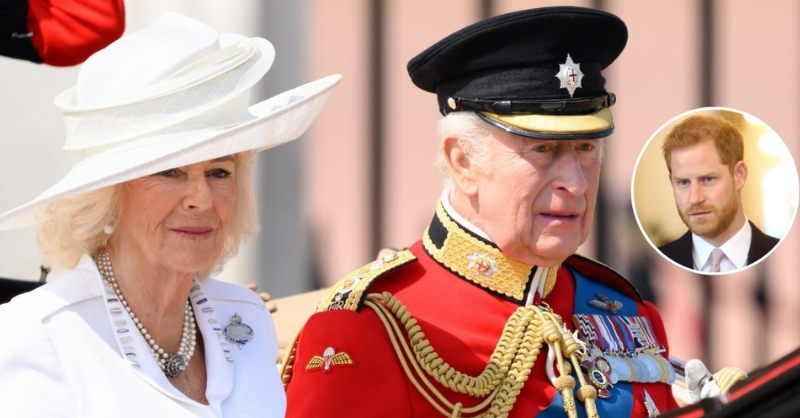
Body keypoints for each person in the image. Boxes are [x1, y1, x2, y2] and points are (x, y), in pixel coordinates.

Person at [283, 7, 688, 418]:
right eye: (542, 148)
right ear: (463, 162)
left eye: (586, 148)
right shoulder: (371, 327)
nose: (576, 182)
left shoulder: (624, 310)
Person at [0, 13, 340, 417]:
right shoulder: (38, 333)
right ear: (108, 196)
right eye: (169, 172)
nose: (201, 199)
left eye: (219, 172)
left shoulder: (247, 317)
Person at [657, 114, 779, 273]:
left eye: (708, 179)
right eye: (684, 183)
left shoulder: (783, 259)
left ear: (739, 175)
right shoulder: (655, 266)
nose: (695, 199)